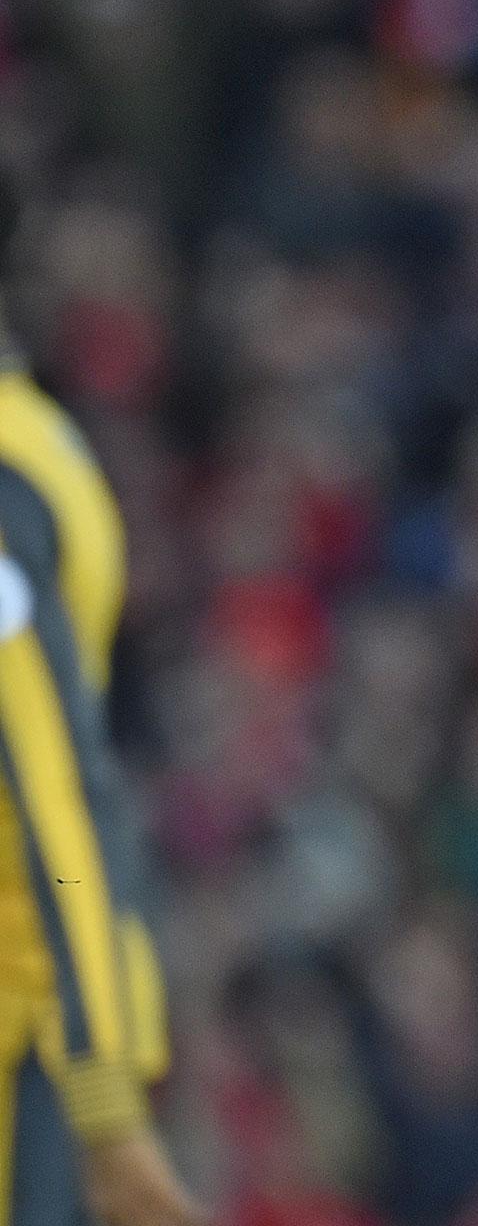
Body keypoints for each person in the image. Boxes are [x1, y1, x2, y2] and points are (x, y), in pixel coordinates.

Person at [0, 174, 201, 1226]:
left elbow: (54, 782)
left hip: (28, 1036)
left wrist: (101, 1094)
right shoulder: (44, 440)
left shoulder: (6, 481)